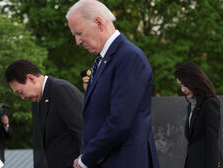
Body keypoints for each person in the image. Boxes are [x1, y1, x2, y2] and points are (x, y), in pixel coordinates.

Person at [66, 0, 159, 167]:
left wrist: (86, 159)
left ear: (99, 22)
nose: (77, 41)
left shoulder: (129, 58)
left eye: (79, 33)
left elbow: (119, 121)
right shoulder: (105, 60)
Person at [5, 59, 84, 168]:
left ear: (31, 79)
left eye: (20, 92)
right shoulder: (42, 98)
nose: (22, 97)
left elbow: (84, 129)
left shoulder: (61, 90)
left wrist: (86, 160)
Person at [174, 62, 221, 168]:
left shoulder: (209, 104)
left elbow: (212, 141)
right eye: (180, 85)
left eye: (184, 85)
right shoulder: (191, 106)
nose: (182, 89)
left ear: (195, 81)